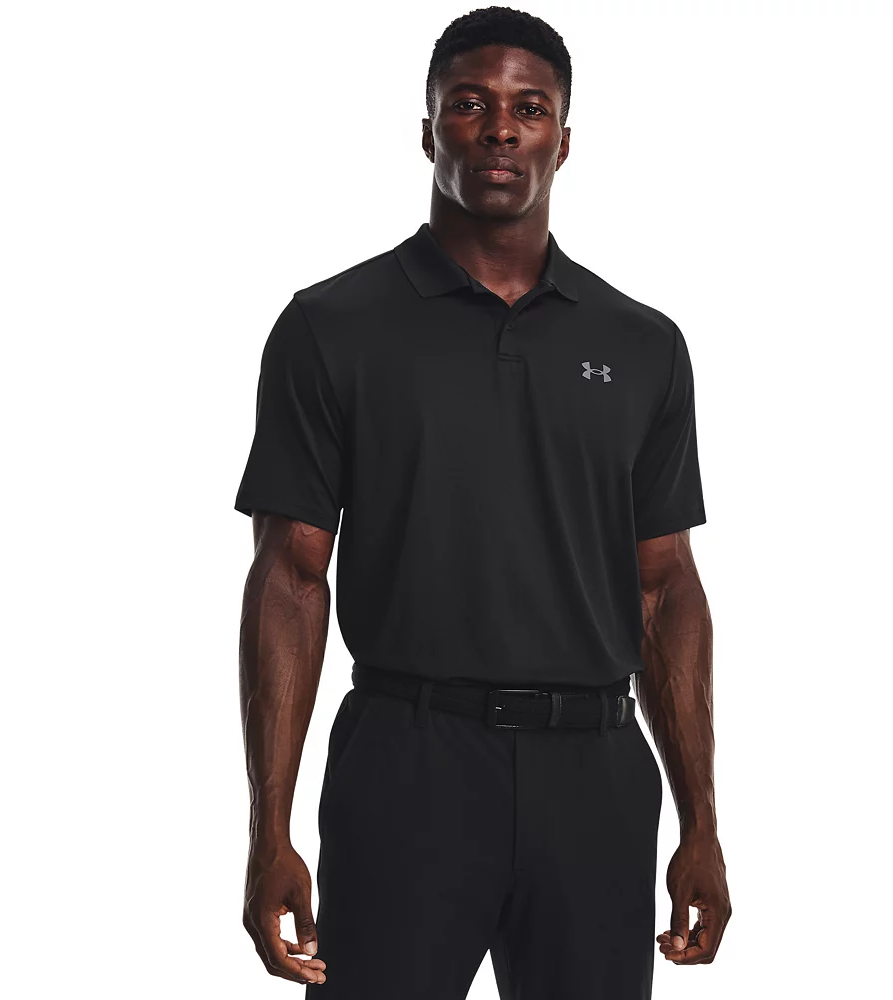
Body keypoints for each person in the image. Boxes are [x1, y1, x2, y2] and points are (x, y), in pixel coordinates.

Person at [235, 7, 730, 997]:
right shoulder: (331, 327)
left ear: (563, 140)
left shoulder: (642, 344)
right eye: (469, 104)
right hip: (406, 762)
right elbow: (289, 580)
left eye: (529, 108)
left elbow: (666, 588)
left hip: (595, 775)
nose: (500, 128)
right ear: (428, 132)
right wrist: (268, 828)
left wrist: (702, 823)